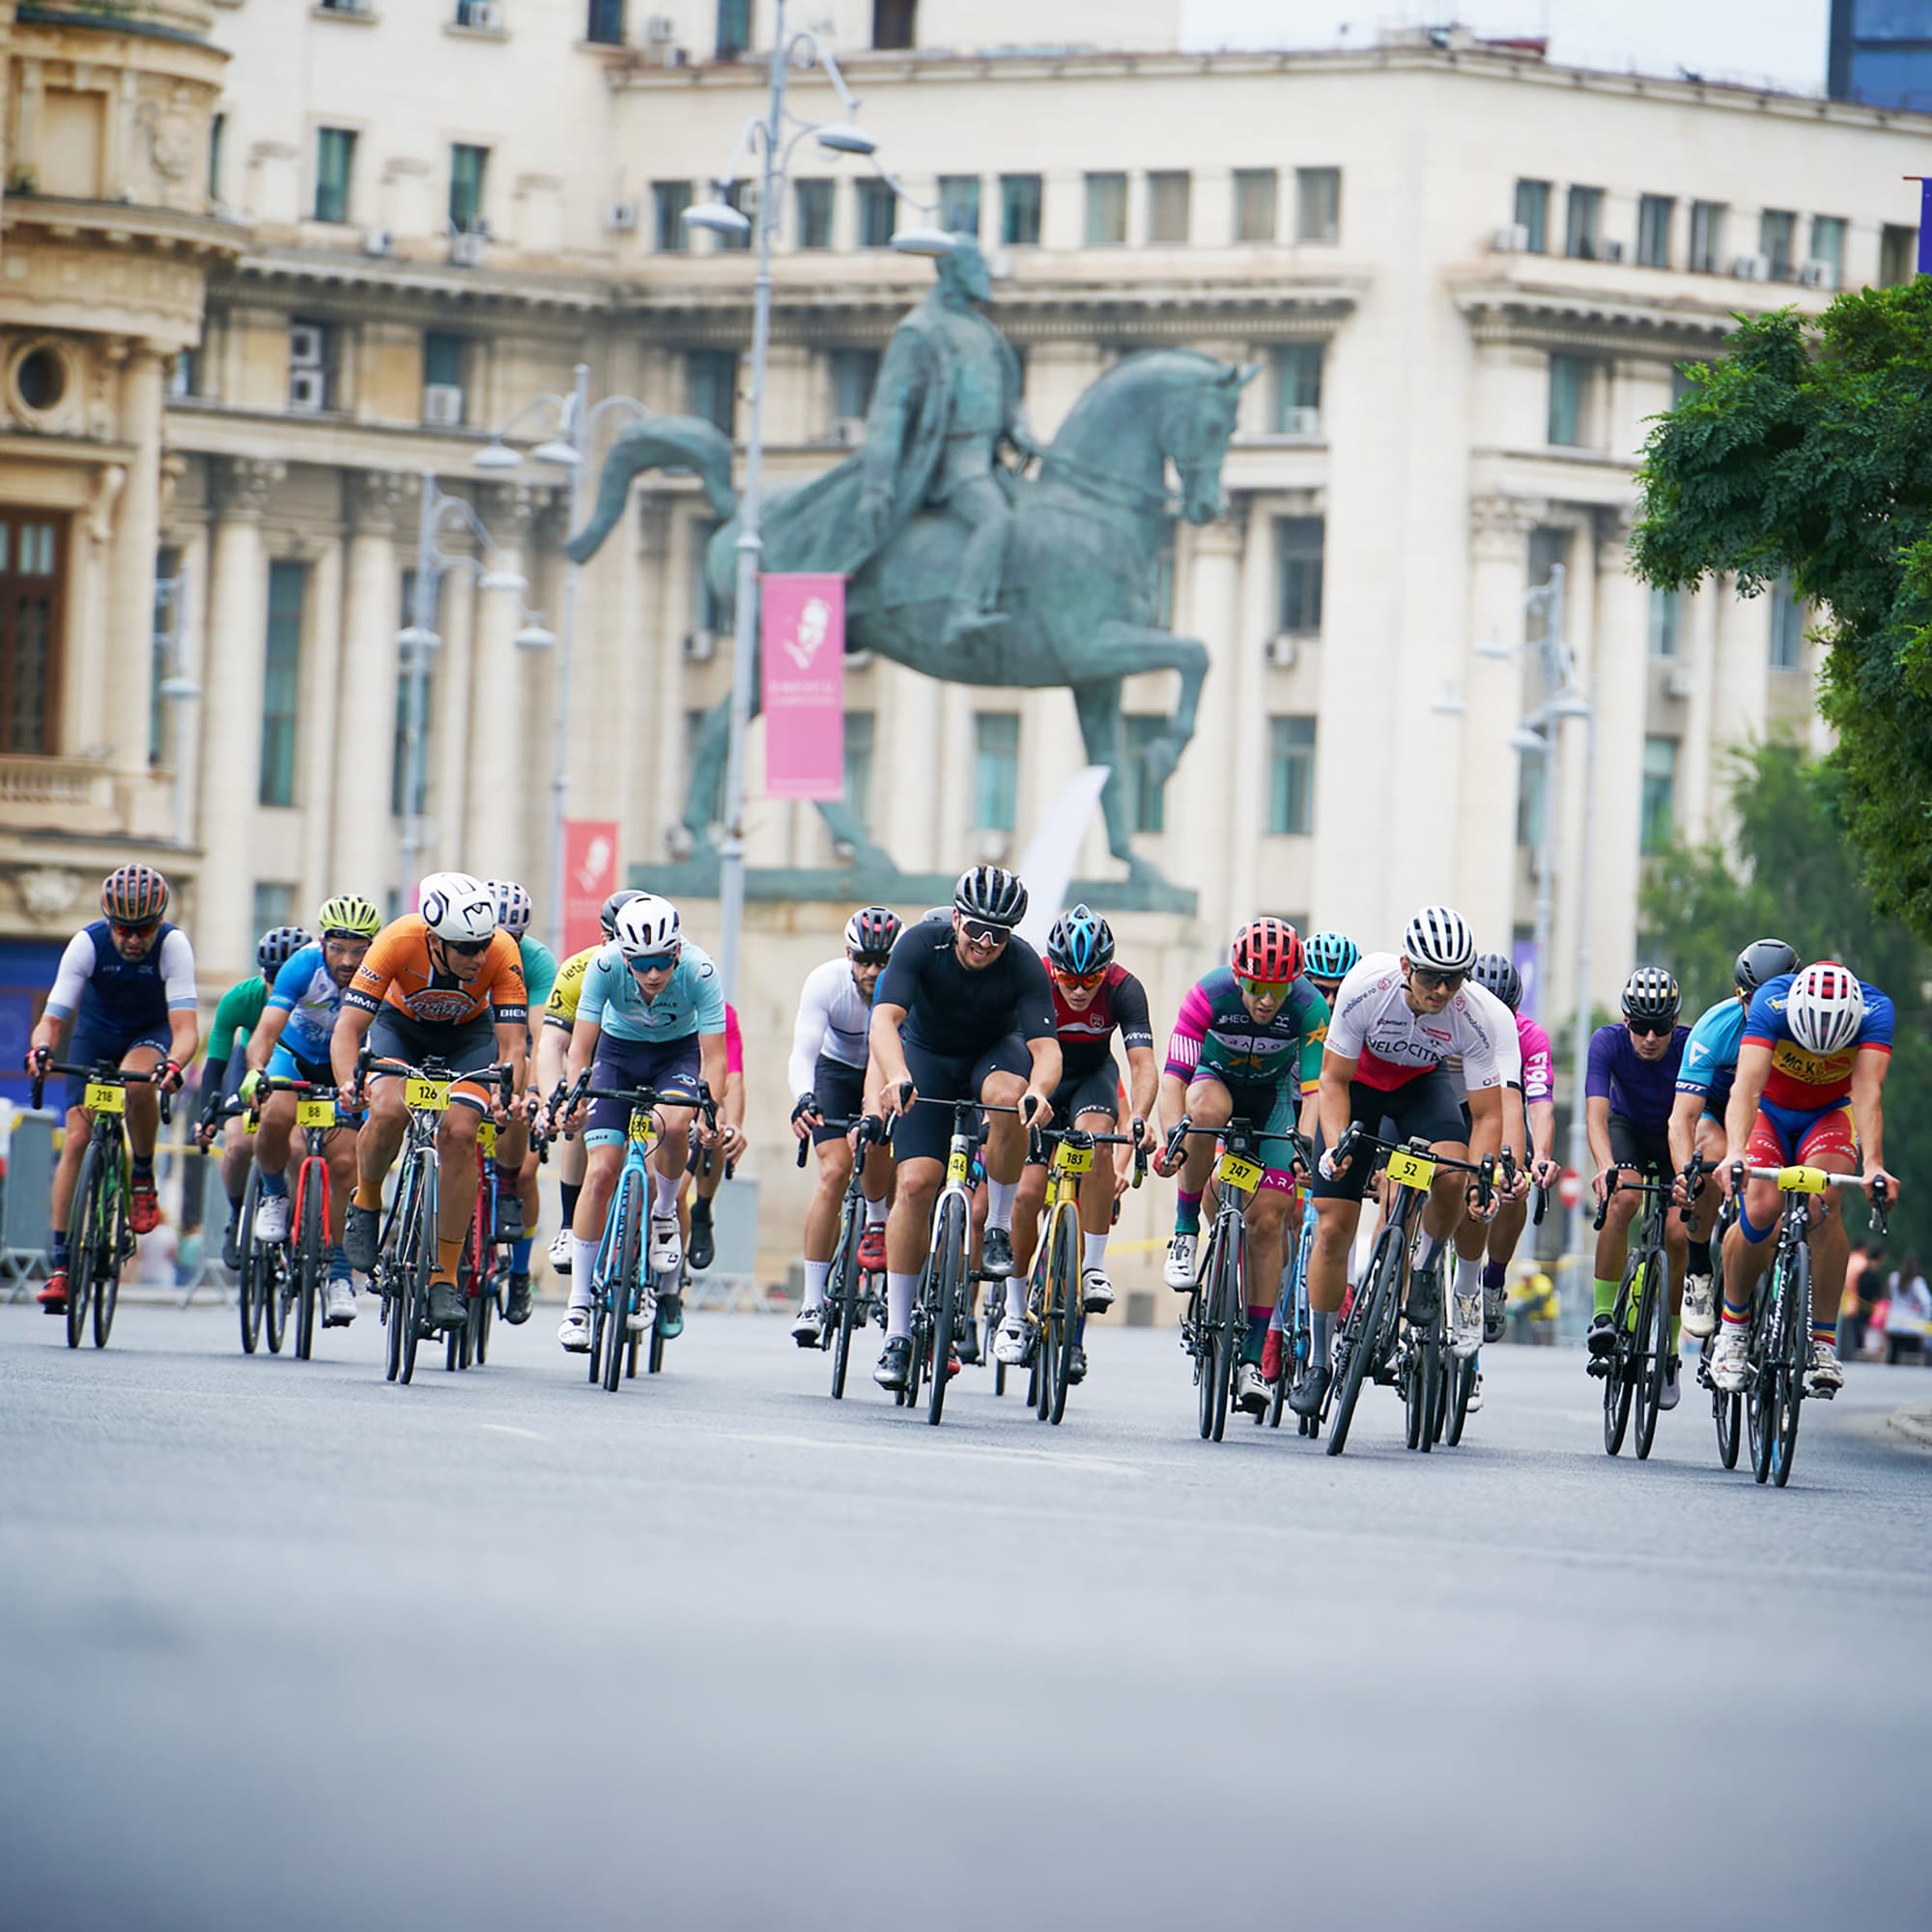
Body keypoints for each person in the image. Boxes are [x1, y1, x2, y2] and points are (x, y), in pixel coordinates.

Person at [1295, 906, 1520, 1417]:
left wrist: (1481, 1180)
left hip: (1422, 1087)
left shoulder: (1478, 1015)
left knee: (1453, 1174)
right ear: (1405, 966)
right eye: (1430, 977)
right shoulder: (1365, 987)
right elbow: (1331, 1081)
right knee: (1333, 1227)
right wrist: (1335, 1148)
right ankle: (1318, 1359)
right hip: (1361, 1089)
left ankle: (1422, 1269)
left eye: (1453, 979)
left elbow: (1487, 1114)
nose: (1441, 991)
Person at [867, 866, 1061, 1393]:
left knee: (1007, 1098)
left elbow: (1046, 1051)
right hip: (926, 1057)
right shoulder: (920, 944)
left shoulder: (1023, 965)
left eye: (998, 935)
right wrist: (898, 1074)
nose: (983, 942)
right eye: (974, 929)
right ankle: (899, 1333)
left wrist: (1038, 1091)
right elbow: (884, 1020)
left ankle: (996, 1224)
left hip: (992, 1057)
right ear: (955, 917)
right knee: (913, 1185)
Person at [333, 873, 529, 1334]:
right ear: (434, 939)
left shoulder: (502, 951)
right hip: (400, 1029)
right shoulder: (398, 939)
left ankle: (444, 1275)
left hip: (470, 1037)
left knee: (460, 1133)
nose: (478, 956)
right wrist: (348, 1083)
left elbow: (513, 1047)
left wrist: (506, 1094)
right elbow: (348, 1029)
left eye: (483, 944)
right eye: (466, 948)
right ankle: (366, 1202)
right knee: (387, 1110)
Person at [1155, 918, 1327, 1414]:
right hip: (1215, 1083)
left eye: (1277, 988)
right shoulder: (1207, 995)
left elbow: (1313, 1093)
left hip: (1271, 1099)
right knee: (1203, 1114)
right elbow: (1174, 1078)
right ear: (1238, 978)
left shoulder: (1309, 1006)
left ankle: (1253, 1359)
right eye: (1255, 988)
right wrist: (1173, 1135)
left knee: (1270, 1219)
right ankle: (1185, 1231)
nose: (1267, 1000)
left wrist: (1305, 1147)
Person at [546, 895, 725, 1352]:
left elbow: (715, 1060)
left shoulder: (700, 972)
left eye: (662, 962)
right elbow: (580, 1050)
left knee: (673, 1119)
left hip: (675, 1055)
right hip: (617, 1054)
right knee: (602, 1169)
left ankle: (664, 1212)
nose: (652, 975)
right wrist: (573, 1098)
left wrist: (710, 1111)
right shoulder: (603, 967)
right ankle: (579, 1303)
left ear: (677, 953)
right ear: (624, 956)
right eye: (642, 964)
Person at [1712, 959, 1899, 1398]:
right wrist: (1735, 1152)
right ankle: (1734, 1330)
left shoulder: (1876, 1012)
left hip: (1828, 1114)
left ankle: (1822, 1342)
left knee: (1824, 1202)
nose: (1816, 1059)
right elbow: (1746, 1087)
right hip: (1769, 1113)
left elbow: (1869, 1091)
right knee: (1759, 1206)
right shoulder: (1771, 1003)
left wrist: (1873, 1164)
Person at [26, 867, 199, 1315]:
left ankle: (141, 1175)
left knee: (136, 1084)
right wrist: (42, 1049)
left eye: (144, 929)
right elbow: (54, 1018)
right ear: (108, 921)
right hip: (95, 1036)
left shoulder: (174, 945)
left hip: (149, 1033)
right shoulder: (87, 943)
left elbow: (184, 1029)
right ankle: (62, 1265)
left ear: (159, 922)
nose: (134, 940)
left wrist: (175, 1063)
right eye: (123, 929)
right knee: (78, 1141)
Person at [1006, 906, 1160, 1382]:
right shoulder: (1034, 979)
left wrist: (1139, 1118)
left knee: (1094, 1144)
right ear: (1053, 967)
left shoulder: (1124, 989)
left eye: (1089, 979)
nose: (1076, 988)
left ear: (1106, 970)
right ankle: (1013, 1310)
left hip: (1092, 1076)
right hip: (1039, 1079)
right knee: (1027, 1193)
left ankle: (1092, 1268)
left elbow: (1142, 1065)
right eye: (1068, 978)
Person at [242, 895, 382, 1327]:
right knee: (276, 1115)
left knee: (344, 1166)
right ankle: (273, 1194)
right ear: (323, 942)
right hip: (295, 1058)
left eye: (359, 951)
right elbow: (266, 1031)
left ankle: (340, 1274)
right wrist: (256, 1071)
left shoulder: (381, 975)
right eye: (339, 948)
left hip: (348, 1068)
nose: (348, 960)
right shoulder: (301, 966)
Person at [1666, 937, 1799, 1339]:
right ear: (1738, 994)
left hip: (1767, 1115)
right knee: (1709, 1155)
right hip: (1718, 1113)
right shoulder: (1714, 1027)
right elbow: (1682, 1118)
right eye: (1754, 1001)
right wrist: (1686, 1175)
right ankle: (1699, 1269)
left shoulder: (1805, 1031)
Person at [787, 906, 900, 1346]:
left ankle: (876, 1223)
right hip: (835, 1071)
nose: (872, 971)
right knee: (833, 1173)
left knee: (879, 1150)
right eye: (864, 961)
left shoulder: (908, 989)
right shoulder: (826, 982)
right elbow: (803, 1053)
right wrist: (803, 1098)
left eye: (883, 962)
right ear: (848, 956)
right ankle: (813, 1300)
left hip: (887, 1070)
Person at [1581, 967, 1690, 1409]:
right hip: (1627, 1128)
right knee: (1622, 1196)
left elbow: (1697, 1116)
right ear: (1625, 1020)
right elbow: (1594, 1114)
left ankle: (1670, 1351)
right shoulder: (1605, 1042)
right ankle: (1603, 1314)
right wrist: (1606, 1166)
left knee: (1679, 1231)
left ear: (1675, 1023)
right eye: (1640, 1026)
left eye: (1661, 1027)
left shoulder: (1689, 1046)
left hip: (1674, 1135)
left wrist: (1689, 1175)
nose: (1649, 1037)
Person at [194, 923, 316, 1268]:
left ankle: (297, 1221)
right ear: (262, 973)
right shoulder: (241, 998)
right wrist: (206, 1115)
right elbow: (215, 1064)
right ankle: (236, 1218)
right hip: (250, 1065)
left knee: (295, 1147)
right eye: (272, 978)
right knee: (237, 1145)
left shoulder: (320, 999)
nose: (280, 987)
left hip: (300, 1066)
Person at [538, 888, 643, 1279]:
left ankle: (658, 1250)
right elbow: (551, 1044)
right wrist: (556, 1101)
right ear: (605, 940)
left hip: (651, 1058)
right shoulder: (578, 971)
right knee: (577, 1116)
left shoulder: (665, 972)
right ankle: (569, 1224)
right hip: (598, 1060)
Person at [1465, 952, 1559, 1341]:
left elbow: (1537, 1103)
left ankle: (1493, 1281)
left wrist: (1539, 1159)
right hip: (1457, 1111)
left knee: (1512, 1186)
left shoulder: (1528, 1036)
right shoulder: (1452, 1020)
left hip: (1503, 1115)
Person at [490, 879, 556, 1320]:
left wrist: (531, 1092)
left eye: (512, 939)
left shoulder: (535, 962)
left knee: (526, 1168)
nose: (501, 948)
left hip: (521, 1051)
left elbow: (539, 1036)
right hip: (477, 1046)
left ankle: (518, 1272)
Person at [684, 1000, 746, 1275]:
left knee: (716, 1126)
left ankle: (702, 1209)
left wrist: (733, 1124)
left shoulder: (721, 1012)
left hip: (700, 1090)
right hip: (661, 1084)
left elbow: (732, 1074)